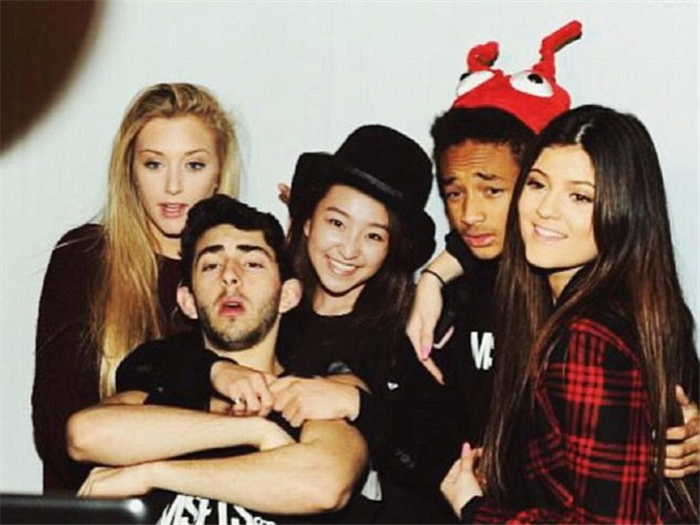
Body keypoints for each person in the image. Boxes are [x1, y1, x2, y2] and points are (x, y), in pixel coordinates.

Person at [440, 104, 699, 523]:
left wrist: (476, 510)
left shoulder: (590, 338)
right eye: (538, 184)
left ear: (623, 211)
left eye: (579, 196)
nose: (545, 209)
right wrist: (432, 279)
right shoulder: (640, 308)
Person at [67, 194, 368, 524]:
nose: (230, 276)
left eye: (252, 263)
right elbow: (85, 435)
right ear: (188, 301)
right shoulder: (161, 392)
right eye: (211, 265)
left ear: (287, 295)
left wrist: (152, 474)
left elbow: (323, 485)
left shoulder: (311, 399)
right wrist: (253, 431)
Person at [32, 82, 241, 493]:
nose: (173, 186)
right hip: (99, 511)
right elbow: (59, 433)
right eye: (154, 164)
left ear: (219, 173)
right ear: (130, 170)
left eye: (194, 165)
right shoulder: (86, 257)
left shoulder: (240, 275)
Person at [273, 124, 463, 523]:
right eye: (336, 223)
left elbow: (441, 462)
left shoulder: (411, 334)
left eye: (373, 236)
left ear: (392, 248)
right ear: (307, 222)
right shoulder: (270, 315)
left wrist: (356, 405)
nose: (348, 249)